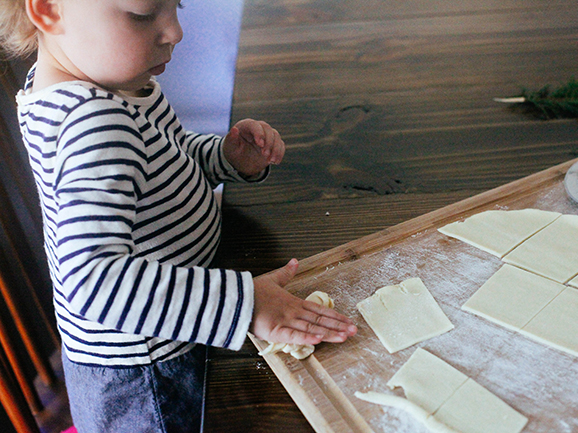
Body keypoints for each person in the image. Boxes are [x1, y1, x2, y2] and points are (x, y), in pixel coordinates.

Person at [0, 0, 357, 431]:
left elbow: (163, 159)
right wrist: (246, 305)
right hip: (148, 373)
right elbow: (92, 282)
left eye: (177, 5)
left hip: (172, 320)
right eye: (143, 14)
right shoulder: (92, 124)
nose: (176, 31)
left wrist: (223, 157)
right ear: (48, 11)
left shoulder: (108, 87)